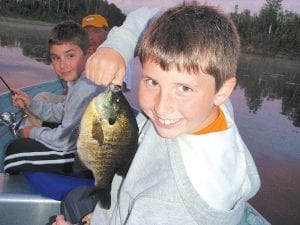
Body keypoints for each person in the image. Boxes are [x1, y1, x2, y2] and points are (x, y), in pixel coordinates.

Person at [53, 3, 261, 225]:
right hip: (121, 204)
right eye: (152, 82)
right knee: (76, 199)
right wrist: (116, 48)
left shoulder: (165, 207)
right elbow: (150, 17)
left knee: (71, 204)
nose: (162, 106)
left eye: (184, 88)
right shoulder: (215, 103)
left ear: (223, 91)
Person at [3, 20, 104, 176]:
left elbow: (63, 141)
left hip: (87, 160)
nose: (62, 65)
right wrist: (31, 104)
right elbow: (63, 112)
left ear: (88, 53)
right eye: (56, 58)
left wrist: (32, 133)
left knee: (14, 152)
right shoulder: (80, 80)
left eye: (70, 55)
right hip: (78, 143)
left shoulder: (86, 87)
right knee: (33, 137)